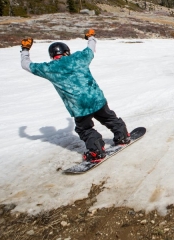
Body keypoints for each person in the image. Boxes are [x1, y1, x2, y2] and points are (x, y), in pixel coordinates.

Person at [20, 29, 130, 163]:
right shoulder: (79, 58)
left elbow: (26, 65)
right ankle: (123, 136)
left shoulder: (49, 68)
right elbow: (91, 48)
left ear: (52, 55)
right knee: (108, 117)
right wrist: (91, 37)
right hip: (96, 99)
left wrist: (25, 49)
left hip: (79, 106)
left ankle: (96, 151)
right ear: (67, 51)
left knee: (84, 128)